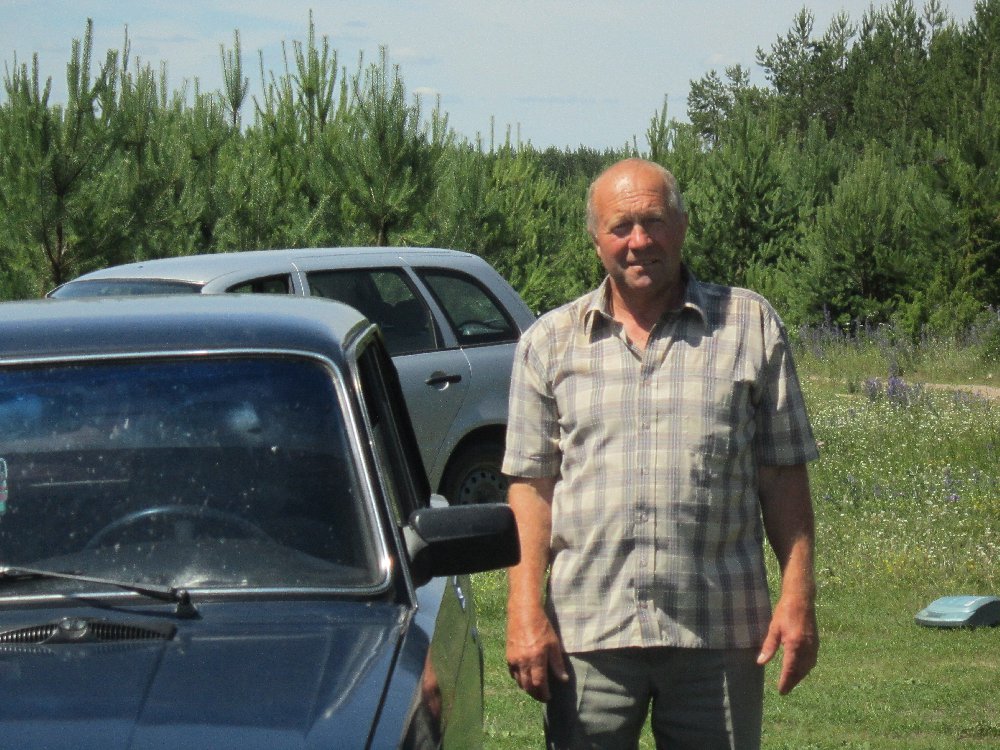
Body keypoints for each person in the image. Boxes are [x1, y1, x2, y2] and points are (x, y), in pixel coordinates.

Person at [503, 158, 819, 749]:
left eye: (653, 221)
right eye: (621, 227)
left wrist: (798, 596)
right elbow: (531, 487)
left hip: (717, 632)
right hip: (587, 633)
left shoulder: (748, 325)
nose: (639, 241)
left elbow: (782, 476)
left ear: (682, 225)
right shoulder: (548, 343)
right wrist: (523, 610)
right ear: (595, 238)